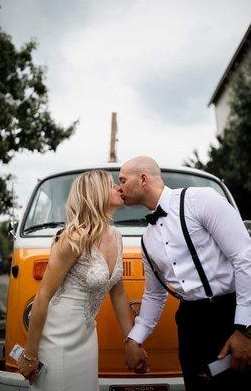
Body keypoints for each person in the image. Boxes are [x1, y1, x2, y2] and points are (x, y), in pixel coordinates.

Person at [119, 156, 251, 391]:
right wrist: (134, 338)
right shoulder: (147, 239)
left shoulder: (201, 200)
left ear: (143, 179)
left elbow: (245, 257)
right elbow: (154, 295)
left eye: (122, 180)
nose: (119, 187)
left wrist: (245, 328)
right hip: (189, 323)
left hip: (228, 314)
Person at [17, 170, 141, 391]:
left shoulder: (116, 236)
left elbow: (119, 293)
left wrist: (132, 341)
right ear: (96, 193)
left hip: (86, 338)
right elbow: (43, 296)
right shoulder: (73, 239)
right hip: (57, 339)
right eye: (111, 185)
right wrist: (30, 353)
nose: (119, 188)